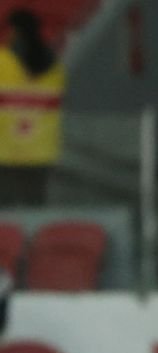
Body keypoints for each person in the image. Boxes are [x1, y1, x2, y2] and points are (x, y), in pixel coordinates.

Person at [0, 9, 64, 206]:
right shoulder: (55, 66)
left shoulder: (3, 61)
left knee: (6, 220)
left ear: (13, 31)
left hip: (6, 152)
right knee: (35, 214)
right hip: (41, 151)